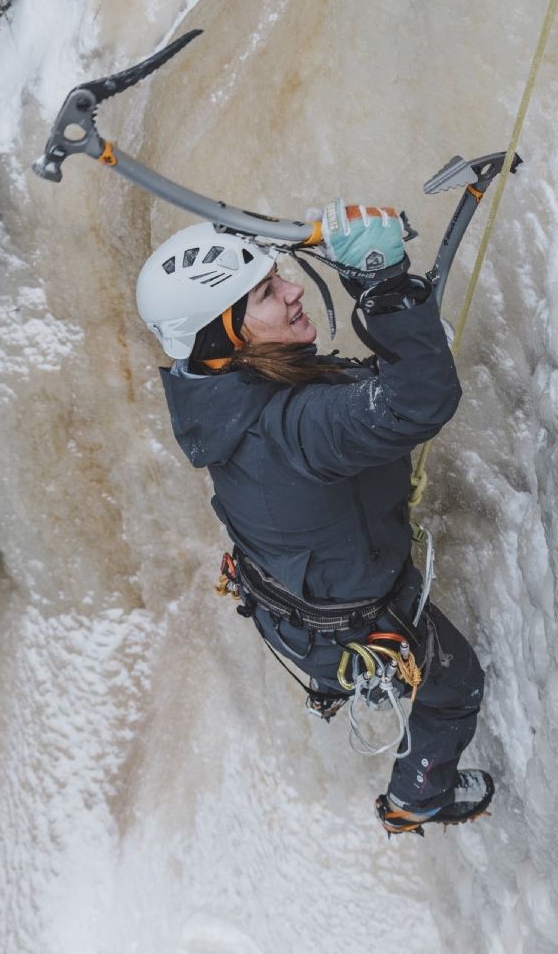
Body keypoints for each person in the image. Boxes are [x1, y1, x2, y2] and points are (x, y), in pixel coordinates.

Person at [136, 200, 493, 834]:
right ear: (227, 333)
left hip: (296, 605)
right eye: (270, 293)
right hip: (351, 623)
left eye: (279, 276)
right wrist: (384, 289)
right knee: (455, 687)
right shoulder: (291, 429)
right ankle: (418, 798)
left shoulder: (212, 394)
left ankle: (347, 697)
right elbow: (415, 403)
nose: (293, 289)